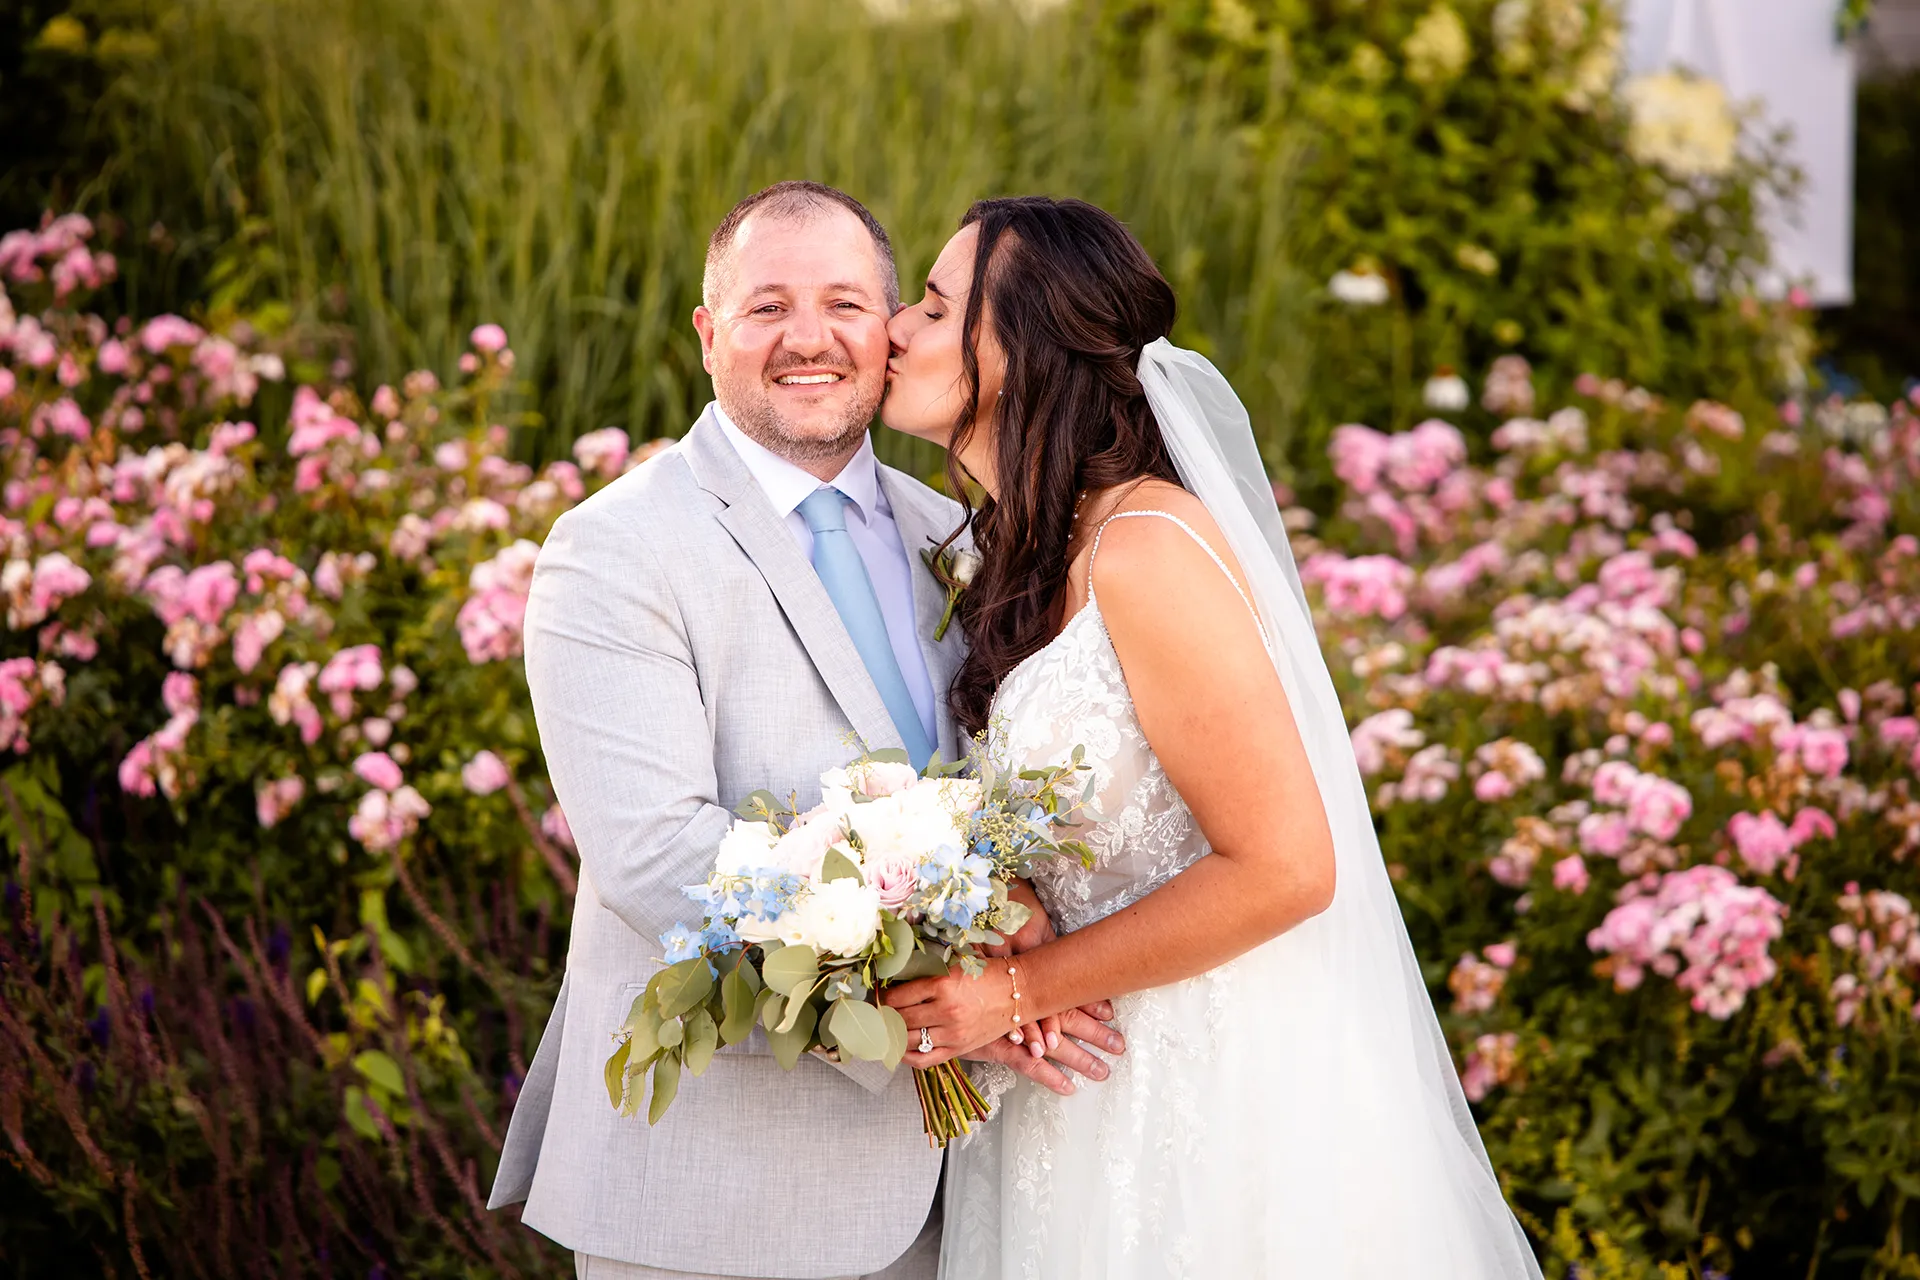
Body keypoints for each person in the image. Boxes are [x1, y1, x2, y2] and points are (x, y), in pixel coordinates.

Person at [877, 196, 1545, 1279]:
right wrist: (1007, 912)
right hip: (1075, 1092)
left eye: (936, 304)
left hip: (1211, 1093)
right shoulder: (1020, 553)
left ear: (1028, 346)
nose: (899, 326)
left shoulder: (1148, 546)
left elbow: (1287, 865)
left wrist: (1014, 993)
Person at [487, 182, 1123, 1280]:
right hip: (720, 1188)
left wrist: (1028, 964)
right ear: (708, 334)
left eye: (844, 302)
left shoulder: (963, 538)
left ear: (893, 331)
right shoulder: (614, 550)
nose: (810, 338)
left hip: (975, 1181)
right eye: (767, 306)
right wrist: (957, 994)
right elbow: (660, 854)